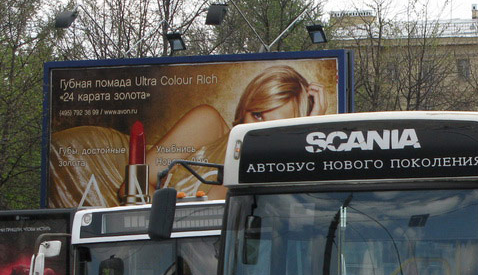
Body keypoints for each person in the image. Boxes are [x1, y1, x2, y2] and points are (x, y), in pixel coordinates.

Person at [48, 64, 327, 206]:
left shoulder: (264, 180)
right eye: (256, 115)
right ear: (243, 109)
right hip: (87, 163)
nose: (255, 129)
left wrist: (308, 134)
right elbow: (130, 187)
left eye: (270, 128)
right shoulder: (209, 123)